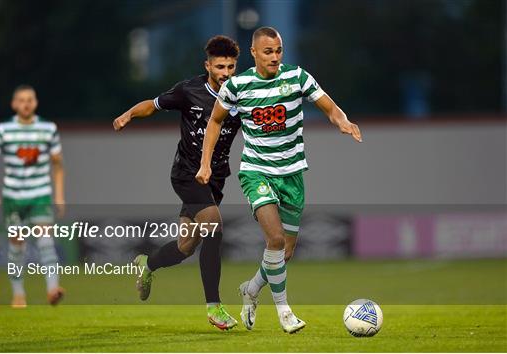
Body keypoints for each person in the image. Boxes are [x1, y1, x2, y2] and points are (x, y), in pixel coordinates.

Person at [196, 27, 362, 334]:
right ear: (254, 53)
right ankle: (285, 312)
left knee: (284, 252)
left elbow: (328, 105)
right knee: (274, 240)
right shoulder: (237, 85)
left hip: (293, 173)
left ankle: (251, 289)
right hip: (256, 171)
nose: (275, 57)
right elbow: (215, 121)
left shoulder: (297, 77)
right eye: (268, 51)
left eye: (279, 50)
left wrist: (342, 121)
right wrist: (205, 163)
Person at [112, 35, 241, 330]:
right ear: (207, 65)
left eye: (231, 67)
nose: (225, 73)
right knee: (214, 225)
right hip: (187, 174)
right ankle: (214, 308)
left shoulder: (241, 94)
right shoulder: (189, 90)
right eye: (220, 66)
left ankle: (148, 264)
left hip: (216, 178)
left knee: (186, 246)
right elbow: (153, 104)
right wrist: (129, 113)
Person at [0, 85, 66, 308]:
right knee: (17, 246)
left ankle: (52, 289)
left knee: (46, 242)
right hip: (13, 197)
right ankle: (18, 293)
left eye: (30, 99)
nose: (26, 103)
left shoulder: (48, 129)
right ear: (14, 104)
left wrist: (59, 195)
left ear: (35, 103)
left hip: (40, 194)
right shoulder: (3, 130)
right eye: (21, 100)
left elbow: (58, 165)